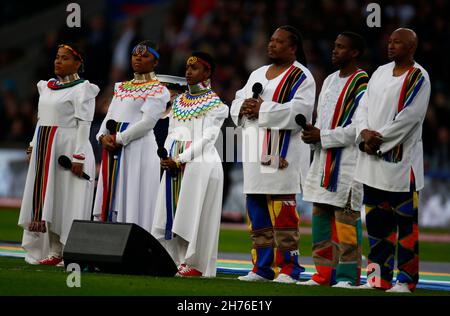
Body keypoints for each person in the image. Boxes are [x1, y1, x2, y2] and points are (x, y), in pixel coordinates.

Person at [230, 25, 316, 283]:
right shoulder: (257, 73)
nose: (272, 44)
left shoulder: (301, 76)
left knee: (283, 213)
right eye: (271, 40)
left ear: (293, 48)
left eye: (279, 42)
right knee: (257, 212)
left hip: (282, 153)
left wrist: (262, 109)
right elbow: (236, 100)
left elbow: (301, 112)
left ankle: (290, 267)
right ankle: (262, 267)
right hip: (254, 151)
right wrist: (242, 107)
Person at [354, 28, 431, 293]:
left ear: (411, 47)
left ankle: (406, 281)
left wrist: (377, 140)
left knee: (405, 227)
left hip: (401, 165)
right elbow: (362, 107)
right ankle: (377, 279)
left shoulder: (418, 77)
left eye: (397, 42)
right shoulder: (379, 72)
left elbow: (409, 118)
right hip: (371, 162)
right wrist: (363, 133)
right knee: (376, 226)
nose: (391, 46)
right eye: (390, 41)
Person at [298, 32, 369, 288]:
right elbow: (322, 119)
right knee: (319, 221)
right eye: (334, 45)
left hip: (347, 163)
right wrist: (313, 135)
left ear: (354, 53)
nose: (334, 50)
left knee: (346, 222)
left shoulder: (363, 83)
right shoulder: (328, 80)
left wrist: (323, 135)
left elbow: (357, 129)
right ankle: (323, 274)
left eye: (341, 47)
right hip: (322, 160)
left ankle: (348, 276)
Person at [18, 43, 99, 265]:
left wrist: (79, 156)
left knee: (67, 198)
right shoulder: (46, 87)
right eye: (57, 57)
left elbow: (84, 125)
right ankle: (53, 249)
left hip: (69, 147)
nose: (58, 61)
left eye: (64, 58)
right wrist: (33, 145)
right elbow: (41, 120)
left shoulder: (83, 89)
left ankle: (66, 249)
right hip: (46, 148)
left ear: (78, 63)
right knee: (50, 198)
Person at [152, 52, 228, 277]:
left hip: (201, 163)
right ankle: (175, 260)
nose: (188, 72)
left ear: (207, 72)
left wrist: (180, 159)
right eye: (187, 67)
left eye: (194, 69)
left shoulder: (216, 104)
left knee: (193, 213)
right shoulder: (180, 101)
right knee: (170, 212)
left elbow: (208, 139)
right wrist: (166, 156)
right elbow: (172, 132)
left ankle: (194, 262)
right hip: (175, 160)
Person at [92, 41, 170, 233]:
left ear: (155, 62)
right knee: (113, 195)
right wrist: (101, 137)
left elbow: (147, 123)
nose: (138, 58)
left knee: (134, 196)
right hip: (113, 147)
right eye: (135, 54)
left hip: (138, 148)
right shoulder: (121, 87)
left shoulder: (159, 90)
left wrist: (118, 139)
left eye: (145, 56)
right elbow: (109, 116)